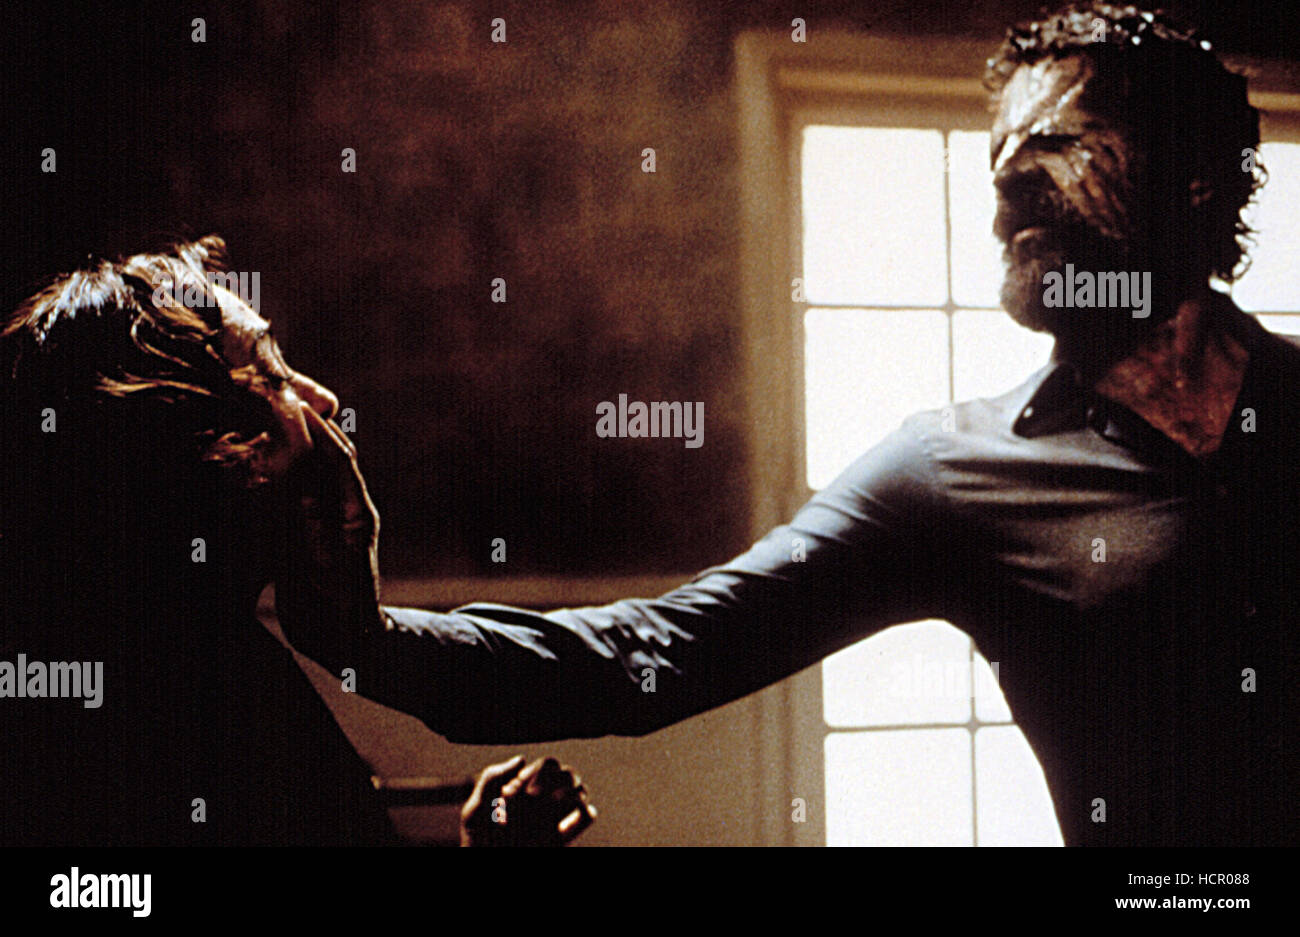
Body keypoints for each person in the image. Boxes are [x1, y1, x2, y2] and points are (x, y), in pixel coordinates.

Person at [271, 2, 1297, 846]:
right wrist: (362, 640)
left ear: (1191, 175)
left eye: (1054, 143)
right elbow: (648, 655)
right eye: (998, 158)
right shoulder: (953, 472)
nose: (1004, 186)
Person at [0, 239, 594, 846]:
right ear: (199, 437)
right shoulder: (173, 709)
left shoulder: (188, 652)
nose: (322, 401)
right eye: (273, 374)